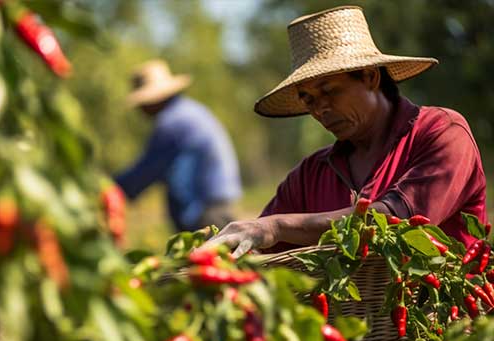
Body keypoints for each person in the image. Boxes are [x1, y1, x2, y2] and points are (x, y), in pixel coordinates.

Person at [204, 5, 487, 258]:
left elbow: (398, 219)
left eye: (330, 91)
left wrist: (276, 226)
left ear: (370, 77)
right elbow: (256, 246)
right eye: (309, 99)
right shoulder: (310, 176)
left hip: (444, 317)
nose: (320, 109)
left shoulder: (441, 132)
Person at [115, 59, 242, 232]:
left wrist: (112, 188)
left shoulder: (172, 123)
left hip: (205, 211)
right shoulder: (189, 111)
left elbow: (147, 170)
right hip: (218, 204)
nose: (141, 109)